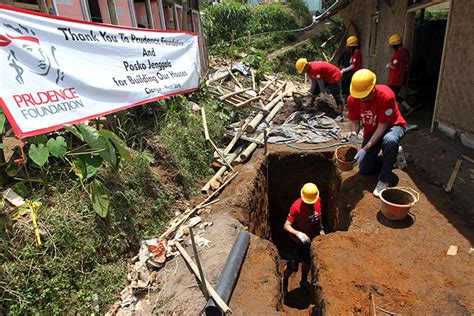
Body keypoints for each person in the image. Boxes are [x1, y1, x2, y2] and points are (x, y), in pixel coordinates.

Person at [347, 69, 407, 197]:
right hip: (371, 130)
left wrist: (365, 149)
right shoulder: (353, 99)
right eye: (359, 96)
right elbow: (356, 122)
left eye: (365, 95)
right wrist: (353, 133)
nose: (362, 99)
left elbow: (382, 127)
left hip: (392, 127)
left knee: (389, 141)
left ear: (373, 87)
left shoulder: (386, 96)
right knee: (364, 169)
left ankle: (384, 179)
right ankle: (393, 157)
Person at [283, 182, 325, 295]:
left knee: (307, 261)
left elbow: (319, 215)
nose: (310, 204)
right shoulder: (296, 207)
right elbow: (286, 226)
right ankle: (285, 280)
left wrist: (321, 228)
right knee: (292, 266)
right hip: (295, 241)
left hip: (310, 239)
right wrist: (298, 234)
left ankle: (304, 281)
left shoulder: (318, 200)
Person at [386, 34, 414, 114]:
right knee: (395, 95)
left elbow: (394, 67)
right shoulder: (406, 51)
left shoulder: (398, 53)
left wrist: (389, 65)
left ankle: (395, 112)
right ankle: (407, 108)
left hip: (395, 79)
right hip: (402, 78)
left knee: (391, 95)